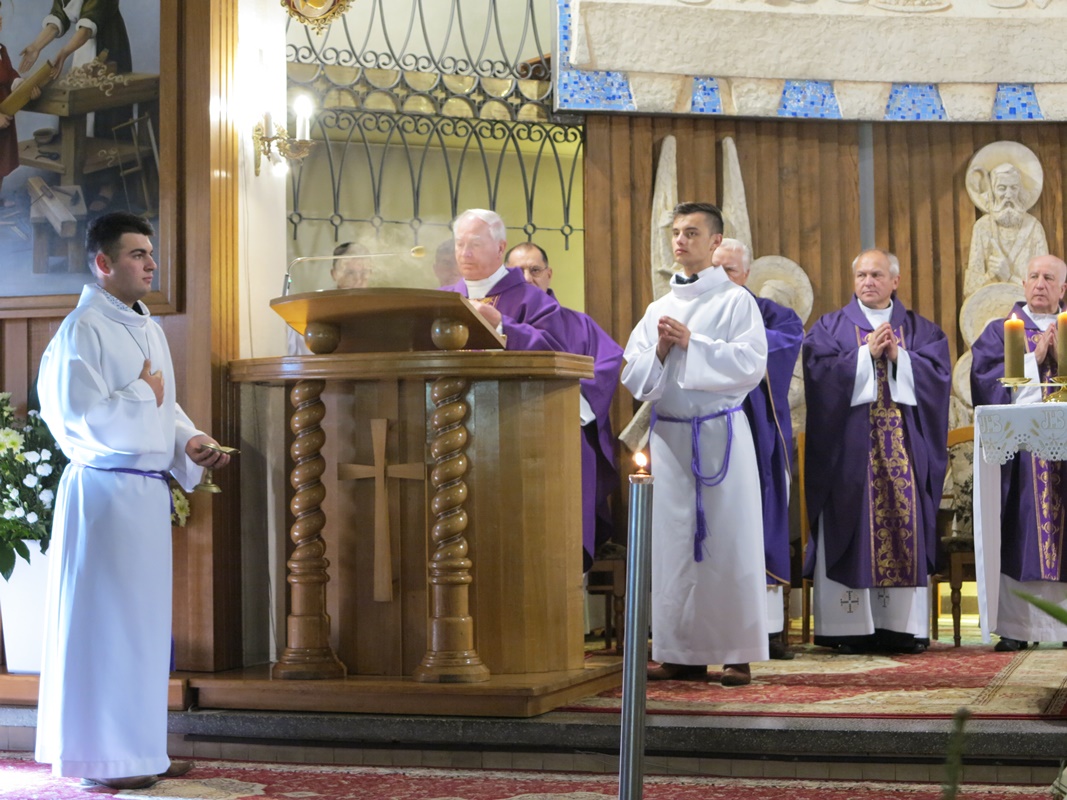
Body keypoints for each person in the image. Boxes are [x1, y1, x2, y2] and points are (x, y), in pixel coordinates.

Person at [34, 212, 231, 790]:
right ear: (103, 263)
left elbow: (163, 407)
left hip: (143, 495)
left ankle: (141, 752)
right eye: (137, 254)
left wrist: (188, 439)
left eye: (150, 253)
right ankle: (100, 760)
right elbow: (79, 416)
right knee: (107, 627)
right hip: (104, 494)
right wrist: (143, 394)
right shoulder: (83, 329)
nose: (151, 264)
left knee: (141, 630)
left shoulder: (146, 325)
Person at [621, 202, 769, 687]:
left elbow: (751, 364)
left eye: (692, 233)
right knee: (674, 548)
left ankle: (736, 654)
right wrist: (662, 349)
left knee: (729, 543)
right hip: (671, 439)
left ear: (715, 242)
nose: (681, 241)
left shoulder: (736, 301)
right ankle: (679, 651)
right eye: (676, 233)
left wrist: (693, 343)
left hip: (720, 434)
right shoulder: (657, 309)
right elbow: (634, 376)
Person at [802, 249, 950, 655]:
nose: (868, 281)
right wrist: (863, 356)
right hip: (849, 456)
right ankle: (850, 629)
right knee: (850, 521)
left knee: (904, 521)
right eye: (862, 275)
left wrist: (900, 357)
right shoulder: (829, 328)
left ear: (894, 281)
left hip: (903, 450)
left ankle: (901, 629)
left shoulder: (921, 330)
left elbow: (938, 378)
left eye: (877, 274)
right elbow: (817, 376)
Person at [506, 241, 624, 571]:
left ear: (549, 274)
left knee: (565, 530)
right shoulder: (492, 323)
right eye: (517, 272)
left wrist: (567, 402)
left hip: (565, 439)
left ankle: (570, 593)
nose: (527, 278)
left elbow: (608, 362)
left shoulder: (578, 324)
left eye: (535, 270)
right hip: (504, 439)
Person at [970, 254, 1067, 651]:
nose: (1040, 284)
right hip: (1021, 463)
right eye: (1033, 276)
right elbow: (985, 383)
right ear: (1024, 284)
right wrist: (1035, 359)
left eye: (1049, 278)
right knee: (1020, 525)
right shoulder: (1002, 331)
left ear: (1063, 289)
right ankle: (1016, 626)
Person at [712, 238, 803, 660]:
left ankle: (767, 629)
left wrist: (724, 345)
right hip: (706, 435)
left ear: (747, 274)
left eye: (729, 270)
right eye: (714, 269)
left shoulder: (773, 315)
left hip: (759, 432)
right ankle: (706, 627)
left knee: (760, 519)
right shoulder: (695, 310)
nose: (721, 277)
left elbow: (780, 347)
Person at [19, 0, 134, 210]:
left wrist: (64, 52)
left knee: (105, 117)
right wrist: (36, 47)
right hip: (83, 50)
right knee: (80, 114)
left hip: (107, 51)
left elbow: (87, 27)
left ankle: (108, 186)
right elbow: (58, 18)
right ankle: (81, 182)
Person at [439, 209, 566, 352]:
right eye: (460, 244)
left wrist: (500, 324)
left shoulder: (536, 300)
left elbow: (555, 353)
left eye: (475, 244)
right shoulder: (442, 299)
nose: (465, 253)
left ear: (500, 248)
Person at [964, 163, 1049, 297]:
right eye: (1002, 188)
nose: (1008, 195)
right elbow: (970, 290)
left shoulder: (1033, 228)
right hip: (991, 305)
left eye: (1013, 188)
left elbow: (1044, 289)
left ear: (1020, 190)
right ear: (993, 191)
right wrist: (990, 276)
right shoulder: (982, 227)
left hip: (1026, 306)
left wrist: (1009, 276)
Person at [286, 241, 372, 355]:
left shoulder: (378, 308)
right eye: (350, 273)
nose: (358, 279)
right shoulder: (313, 308)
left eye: (364, 272)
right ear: (334, 274)